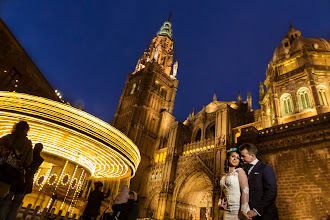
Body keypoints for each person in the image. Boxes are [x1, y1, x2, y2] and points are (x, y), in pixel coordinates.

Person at [0, 143, 44, 220]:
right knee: (15, 206)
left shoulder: (27, 155)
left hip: (16, 179)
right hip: (26, 184)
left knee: (6, 202)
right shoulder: (40, 159)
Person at [239, 143, 279, 220]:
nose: (241, 158)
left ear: (252, 156)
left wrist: (257, 211)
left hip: (265, 215)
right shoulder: (244, 170)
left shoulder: (265, 168)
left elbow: (271, 192)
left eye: (243, 156)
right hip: (248, 215)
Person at [0, 121, 33, 199]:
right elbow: (28, 161)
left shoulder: (6, 138)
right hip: (10, 174)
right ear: (26, 130)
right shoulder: (27, 144)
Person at [218, 148, 251, 220]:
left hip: (239, 209)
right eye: (233, 156)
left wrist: (243, 210)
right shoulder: (224, 175)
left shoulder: (239, 171)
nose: (235, 159)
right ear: (228, 158)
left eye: (238, 158)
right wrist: (220, 203)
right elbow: (222, 193)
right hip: (227, 211)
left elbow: (245, 191)